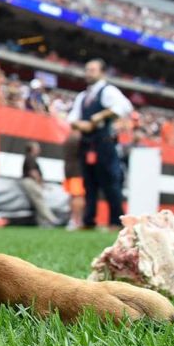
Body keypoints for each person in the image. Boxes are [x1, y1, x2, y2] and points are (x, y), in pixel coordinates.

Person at [68, 58, 134, 230]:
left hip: (104, 143)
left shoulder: (108, 90)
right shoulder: (83, 96)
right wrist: (83, 124)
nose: (88, 73)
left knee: (111, 182)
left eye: (92, 70)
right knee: (89, 184)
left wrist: (101, 116)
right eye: (87, 70)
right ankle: (89, 221)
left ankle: (116, 221)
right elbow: (72, 118)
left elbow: (125, 106)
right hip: (87, 143)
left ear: (102, 72)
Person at [17, 142, 58, 226]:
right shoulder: (30, 158)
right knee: (39, 200)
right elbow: (33, 172)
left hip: (30, 181)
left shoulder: (30, 158)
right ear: (32, 149)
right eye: (37, 148)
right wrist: (40, 183)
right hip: (30, 181)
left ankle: (42, 222)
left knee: (37, 201)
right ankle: (51, 219)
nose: (39, 150)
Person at [61, 132, 85, 230]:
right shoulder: (78, 138)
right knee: (78, 196)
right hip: (77, 172)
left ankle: (74, 220)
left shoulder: (68, 138)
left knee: (73, 196)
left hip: (69, 170)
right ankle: (77, 221)